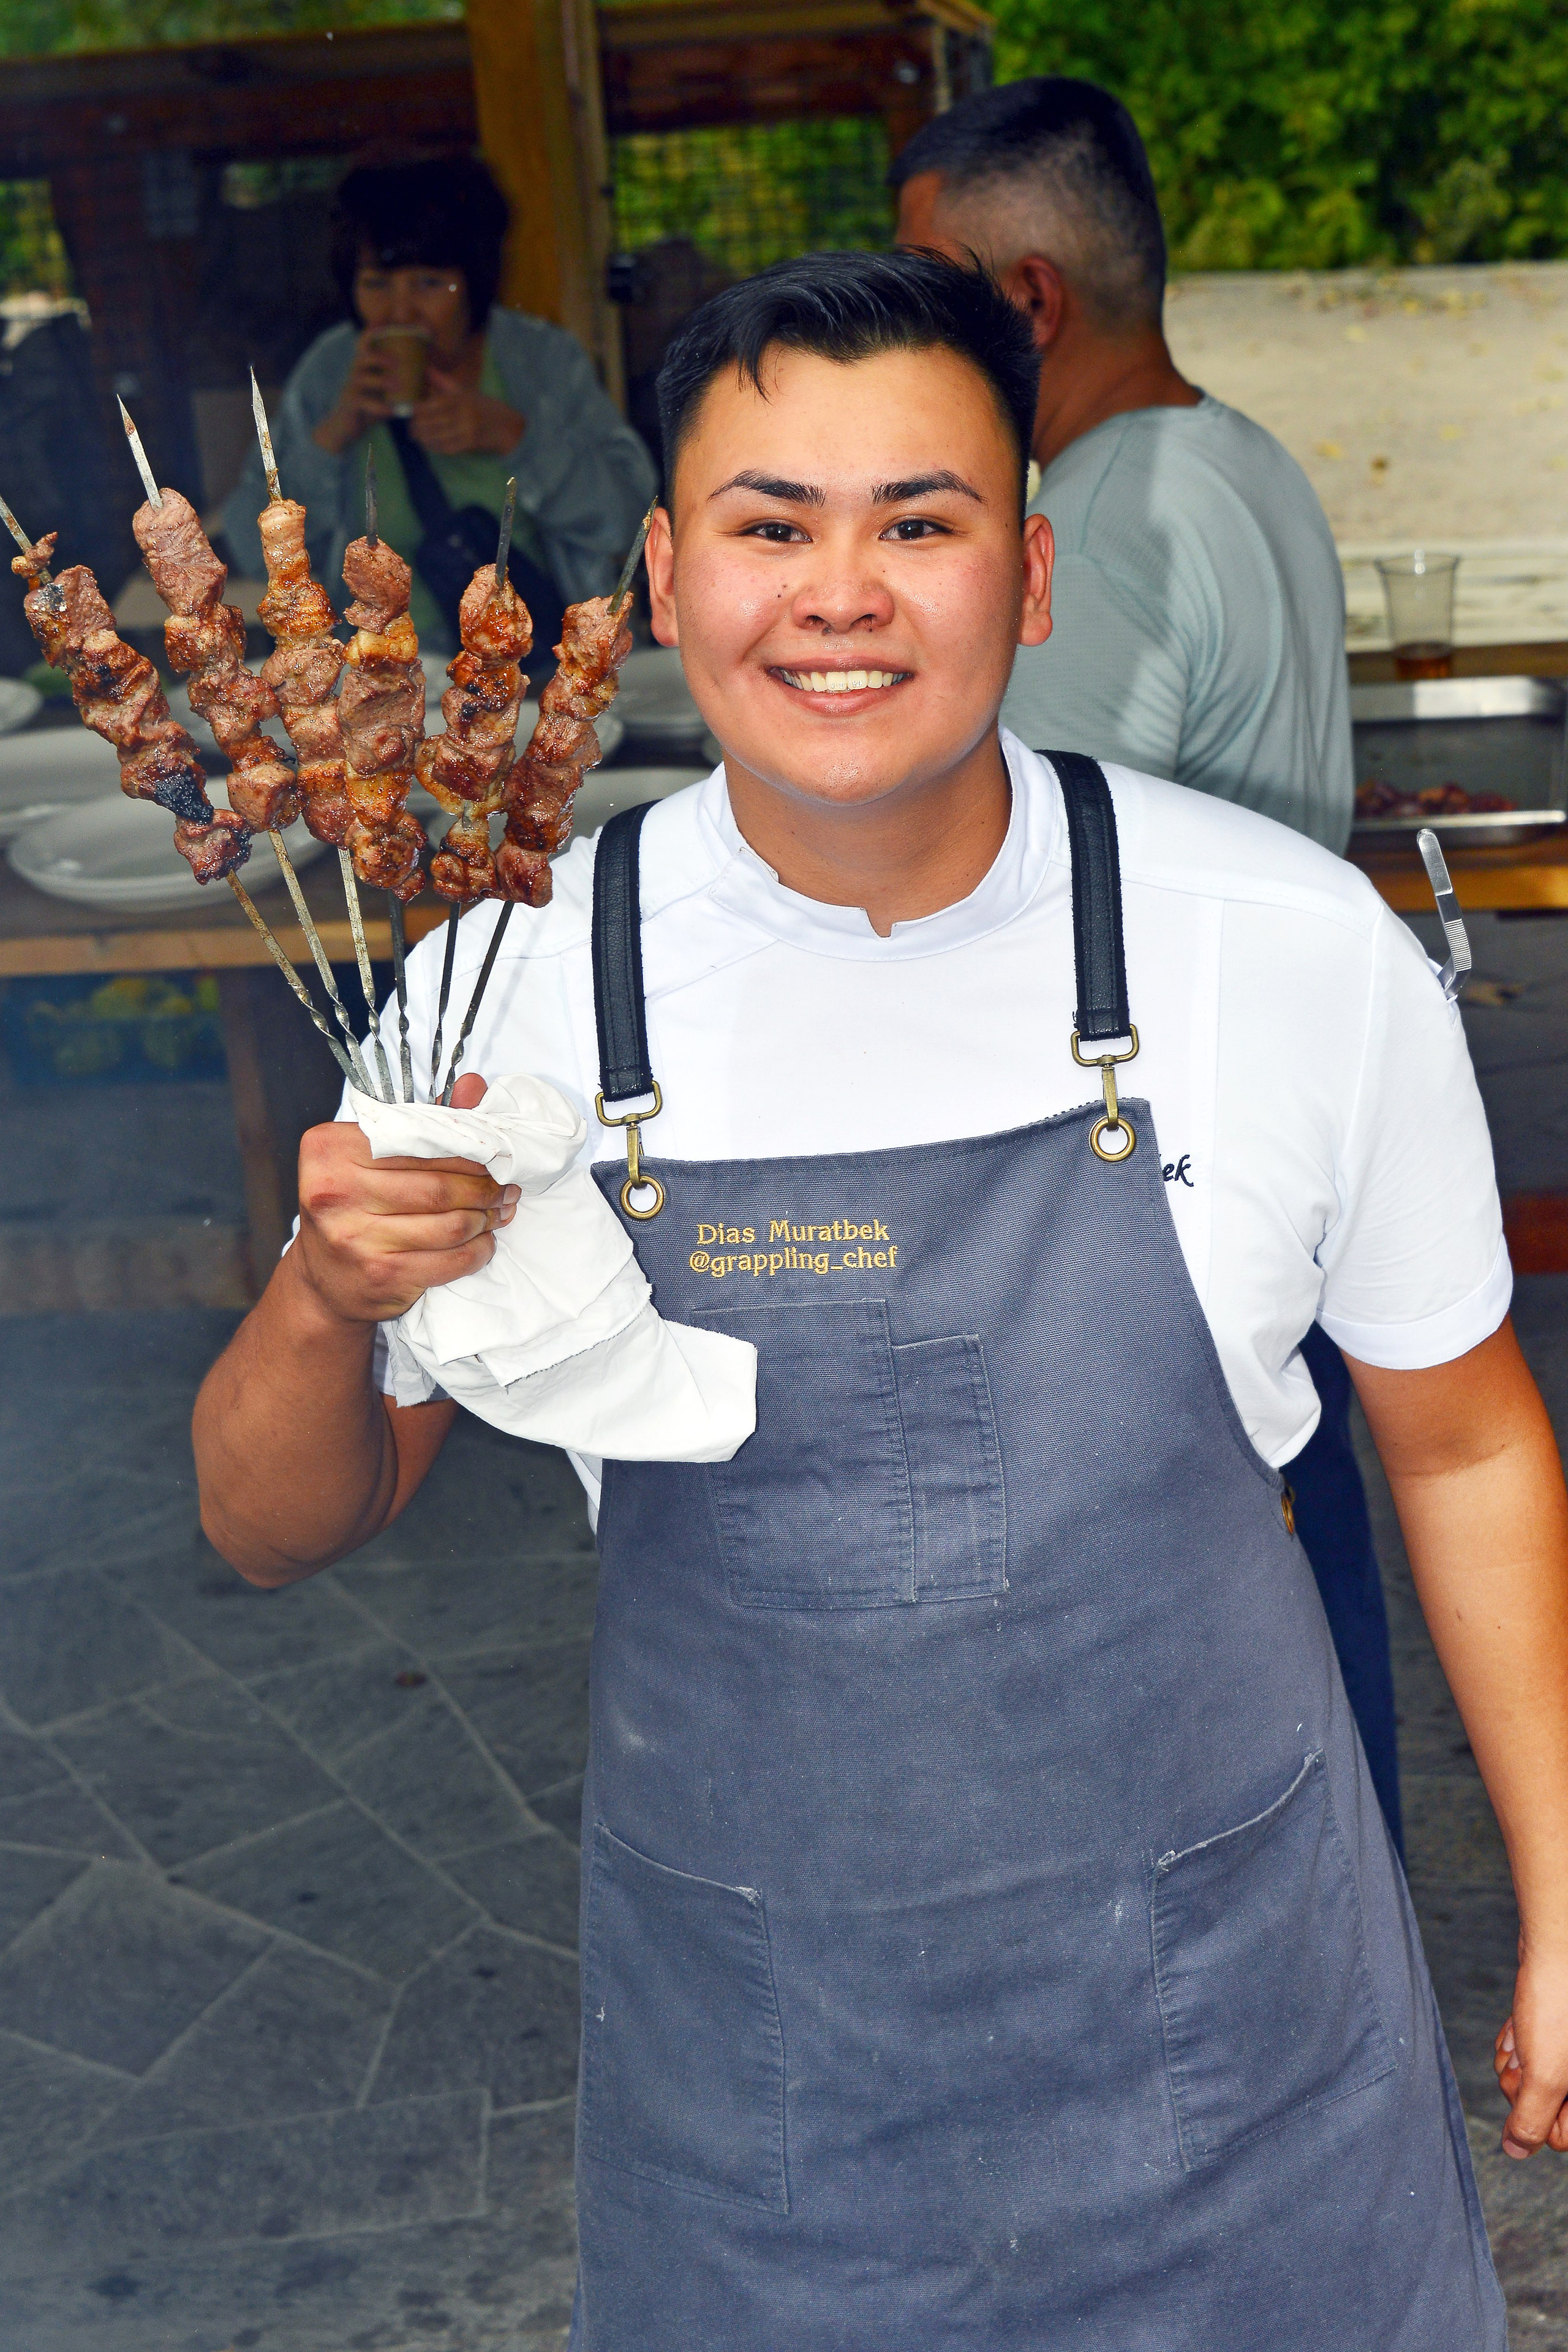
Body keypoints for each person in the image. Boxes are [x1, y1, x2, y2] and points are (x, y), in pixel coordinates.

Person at [194, 252, 1568, 2348]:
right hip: (768, 2125)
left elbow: (1464, 1441)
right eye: (770, 526)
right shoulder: (515, 982)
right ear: (662, 576)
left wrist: (1565, 1896)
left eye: (918, 524)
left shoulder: (1280, 952)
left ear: (1029, 577)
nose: (841, 594)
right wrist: (320, 1291)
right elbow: (271, 1520)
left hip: (1245, 2085)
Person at [893, 77, 1401, 1851]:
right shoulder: (1242, 455)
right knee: (1303, 1545)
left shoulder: (1093, 527)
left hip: (1153, 1171)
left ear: (1023, 302)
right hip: (1279, 1122)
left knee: (1183, 1627)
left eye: (927, 289)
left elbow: (1022, 890)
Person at [222, 153, 656, 657]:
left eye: (430, 284)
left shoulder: (539, 359)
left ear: (477, 282)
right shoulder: (332, 369)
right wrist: (332, 436)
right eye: (376, 284)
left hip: (539, 669)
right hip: (384, 678)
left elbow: (631, 519)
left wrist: (516, 438)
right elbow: (252, 551)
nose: (400, 311)